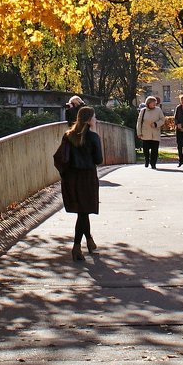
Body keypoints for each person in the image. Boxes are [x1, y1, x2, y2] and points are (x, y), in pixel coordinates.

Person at [60, 105, 103, 260]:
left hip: (71, 178)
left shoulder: (68, 135)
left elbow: (62, 157)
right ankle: (77, 246)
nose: (96, 119)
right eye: (94, 117)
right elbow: (98, 159)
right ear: (89, 120)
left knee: (82, 212)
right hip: (87, 177)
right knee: (83, 212)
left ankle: (89, 241)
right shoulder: (93, 137)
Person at [137, 96, 165, 169]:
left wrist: (156, 124)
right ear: (148, 103)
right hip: (145, 133)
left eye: (155, 103)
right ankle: (147, 159)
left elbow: (162, 120)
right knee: (146, 149)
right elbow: (139, 122)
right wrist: (139, 132)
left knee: (155, 150)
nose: (154, 104)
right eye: (153, 103)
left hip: (155, 133)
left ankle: (153, 163)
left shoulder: (158, 110)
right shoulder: (143, 111)